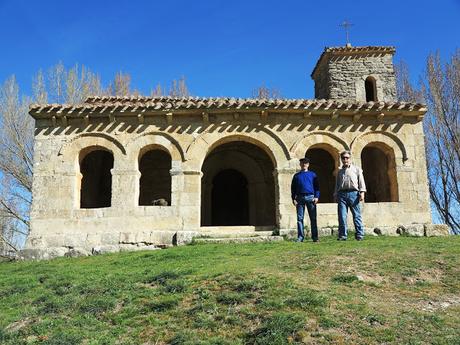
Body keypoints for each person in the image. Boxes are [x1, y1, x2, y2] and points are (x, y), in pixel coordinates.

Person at [334, 150, 366, 241]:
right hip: (342, 195)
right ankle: (342, 235)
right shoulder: (340, 171)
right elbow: (337, 184)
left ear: (350, 159)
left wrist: (362, 192)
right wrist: (335, 194)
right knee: (342, 216)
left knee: (357, 215)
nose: (345, 160)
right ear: (341, 159)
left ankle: (360, 234)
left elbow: (361, 181)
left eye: (347, 158)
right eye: (343, 158)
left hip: (354, 194)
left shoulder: (356, 169)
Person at [291, 157, 320, 242]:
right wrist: (293, 198)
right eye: (302, 163)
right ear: (300, 164)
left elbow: (317, 187)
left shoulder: (312, 174)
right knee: (300, 219)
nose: (304, 164)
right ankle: (300, 237)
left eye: (306, 163)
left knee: (313, 218)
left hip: (311, 197)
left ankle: (315, 237)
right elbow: (293, 188)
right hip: (299, 198)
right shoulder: (296, 176)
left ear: (308, 164)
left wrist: (316, 196)